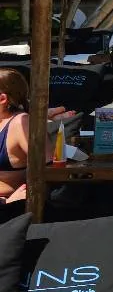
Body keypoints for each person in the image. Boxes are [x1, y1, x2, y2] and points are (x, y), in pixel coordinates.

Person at [0, 69, 74, 204]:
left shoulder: (20, 123)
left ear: (2, 99)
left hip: (10, 206)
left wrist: (8, 202)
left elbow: (49, 171)